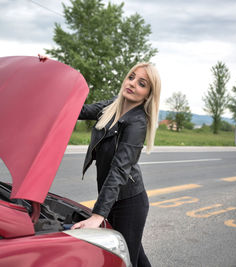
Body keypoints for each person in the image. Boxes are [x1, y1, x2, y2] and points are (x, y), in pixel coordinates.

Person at [72, 62, 161, 267]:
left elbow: (119, 169)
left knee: (124, 259)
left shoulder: (138, 122)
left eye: (142, 83)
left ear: (148, 94)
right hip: (112, 199)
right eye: (131, 77)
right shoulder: (112, 106)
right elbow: (79, 110)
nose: (132, 84)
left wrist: (98, 214)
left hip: (129, 202)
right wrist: (52, 72)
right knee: (135, 257)